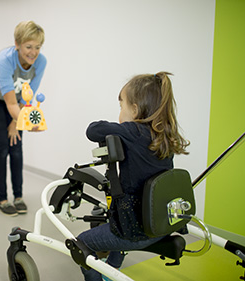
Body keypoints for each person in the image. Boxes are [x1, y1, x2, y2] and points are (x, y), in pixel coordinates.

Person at [78, 72, 190, 280]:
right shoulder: (164, 134)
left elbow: (93, 130)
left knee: (81, 244)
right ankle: (112, 270)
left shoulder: (132, 131)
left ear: (135, 110)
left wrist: (120, 126)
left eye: (122, 107)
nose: (120, 112)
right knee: (118, 220)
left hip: (134, 229)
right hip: (162, 223)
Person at [0, 21, 47, 216]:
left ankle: (18, 196)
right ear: (17, 44)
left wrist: (16, 123)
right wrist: (27, 123)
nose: (33, 52)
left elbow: (27, 97)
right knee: (2, 147)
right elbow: (8, 102)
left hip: (18, 104)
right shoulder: (4, 60)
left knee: (16, 147)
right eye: (28, 46)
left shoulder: (41, 62)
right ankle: (2, 198)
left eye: (37, 47)